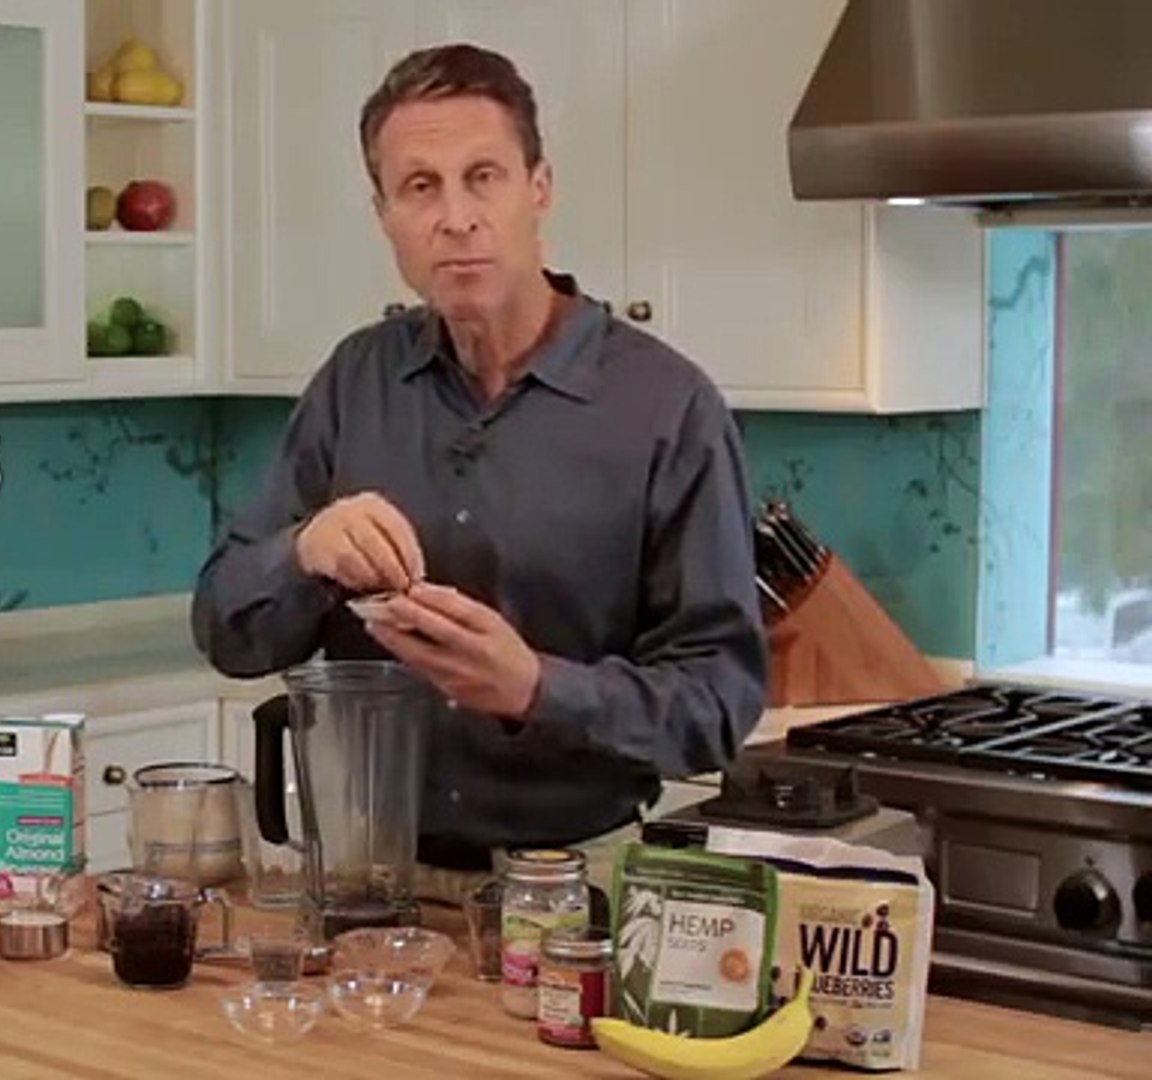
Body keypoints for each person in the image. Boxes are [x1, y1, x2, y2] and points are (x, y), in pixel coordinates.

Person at [190, 43, 768, 876]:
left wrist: (534, 687)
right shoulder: (355, 381)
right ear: (385, 214)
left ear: (540, 188)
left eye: (483, 177)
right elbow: (225, 629)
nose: (456, 217)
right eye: (420, 186)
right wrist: (303, 550)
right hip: (365, 878)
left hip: (573, 887)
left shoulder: (669, 408)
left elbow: (718, 704)